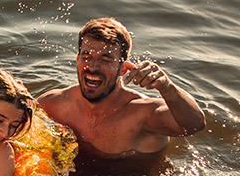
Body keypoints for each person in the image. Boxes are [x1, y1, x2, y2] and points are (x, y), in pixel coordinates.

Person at [36, 18, 205, 160]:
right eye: (87, 56)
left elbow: (194, 125)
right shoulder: (53, 105)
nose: (93, 67)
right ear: (78, 59)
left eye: (106, 59)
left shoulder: (144, 115)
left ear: (123, 68)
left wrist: (167, 87)